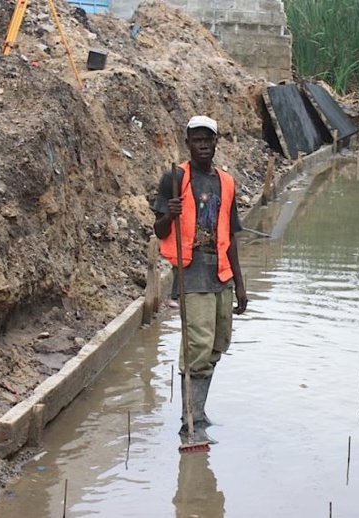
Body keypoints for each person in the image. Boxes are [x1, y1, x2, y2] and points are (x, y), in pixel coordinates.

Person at [152, 115, 248, 445]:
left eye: (209, 139)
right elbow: (159, 231)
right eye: (197, 139)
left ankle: (200, 411)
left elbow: (232, 236)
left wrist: (240, 285)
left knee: (217, 344)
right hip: (192, 274)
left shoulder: (226, 182)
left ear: (217, 142)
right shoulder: (175, 178)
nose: (203, 144)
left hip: (220, 273)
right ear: (188, 143)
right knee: (198, 345)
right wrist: (170, 214)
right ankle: (189, 421)